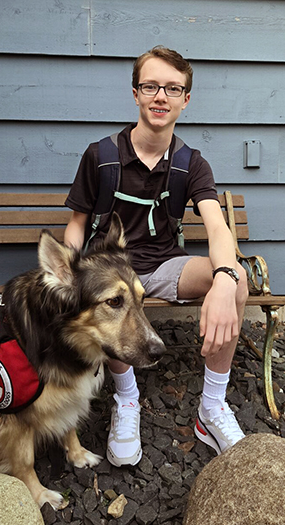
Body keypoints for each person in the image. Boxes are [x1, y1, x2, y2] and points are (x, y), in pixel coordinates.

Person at [64, 46, 248, 466]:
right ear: (135, 94)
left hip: (165, 265)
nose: (160, 96)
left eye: (172, 88)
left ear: (186, 98)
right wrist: (69, 273)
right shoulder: (101, 155)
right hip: (108, 269)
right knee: (107, 297)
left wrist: (224, 276)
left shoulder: (190, 163)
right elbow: (77, 223)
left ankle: (212, 408)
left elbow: (217, 228)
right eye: (151, 86)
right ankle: (127, 399)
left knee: (237, 280)